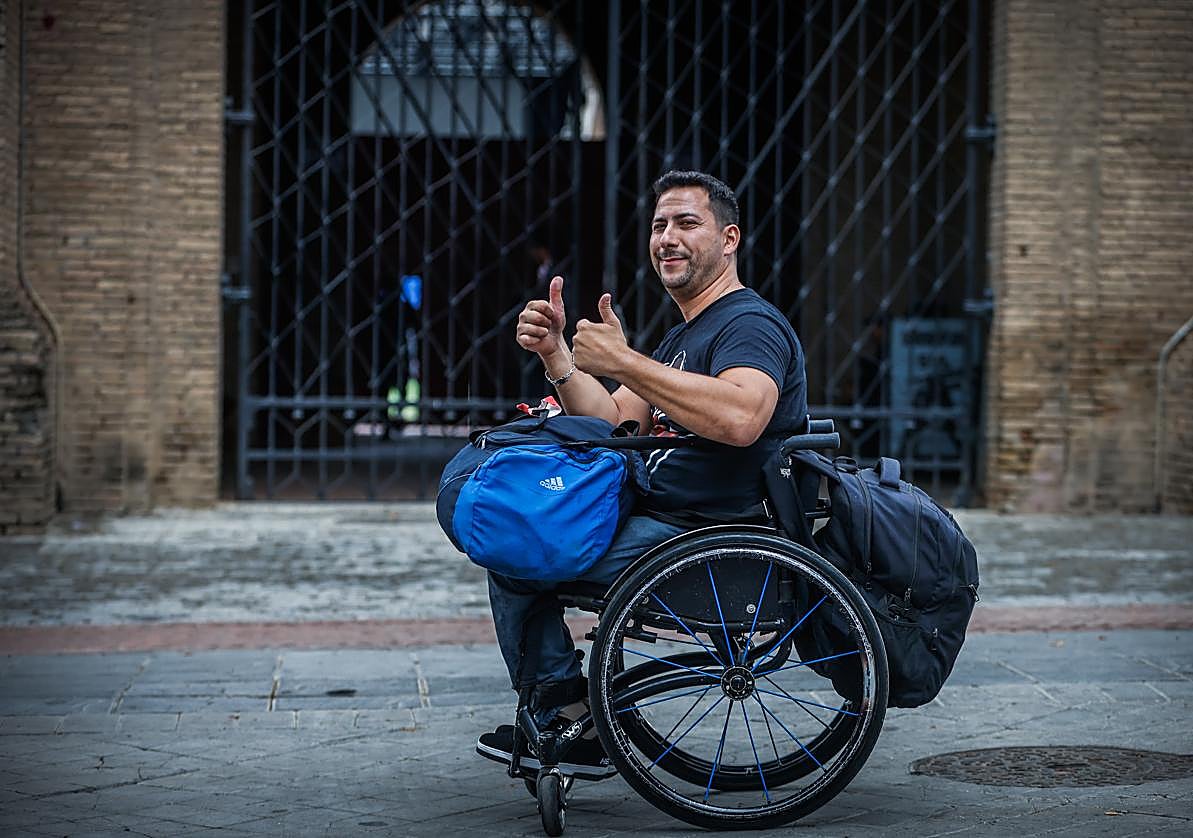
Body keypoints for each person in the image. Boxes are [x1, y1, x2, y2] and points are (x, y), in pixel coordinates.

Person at [477, 171, 808, 774]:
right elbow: (614, 424)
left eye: (687, 223)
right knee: (516, 524)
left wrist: (627, 359)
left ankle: (564, 713)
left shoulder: (747, 324)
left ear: (729, 238)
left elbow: (741, 416)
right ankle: (564, 708)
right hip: (661, 519)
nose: (668, 238)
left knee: (514, 542)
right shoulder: (684, 335)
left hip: (703, 537)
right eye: (659, 226)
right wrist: (559, 358)